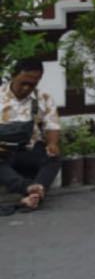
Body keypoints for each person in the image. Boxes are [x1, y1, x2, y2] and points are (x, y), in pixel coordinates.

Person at [0, 57, 62, 211]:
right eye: (24, 82)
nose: (27, 88)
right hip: (3, 153)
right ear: (14, 75)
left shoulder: (43, 99)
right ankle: (32, 190)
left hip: (29, 150)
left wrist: (52, 144)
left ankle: (34, 191)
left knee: (52, 158)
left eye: (33, 84)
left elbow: (52, 125)